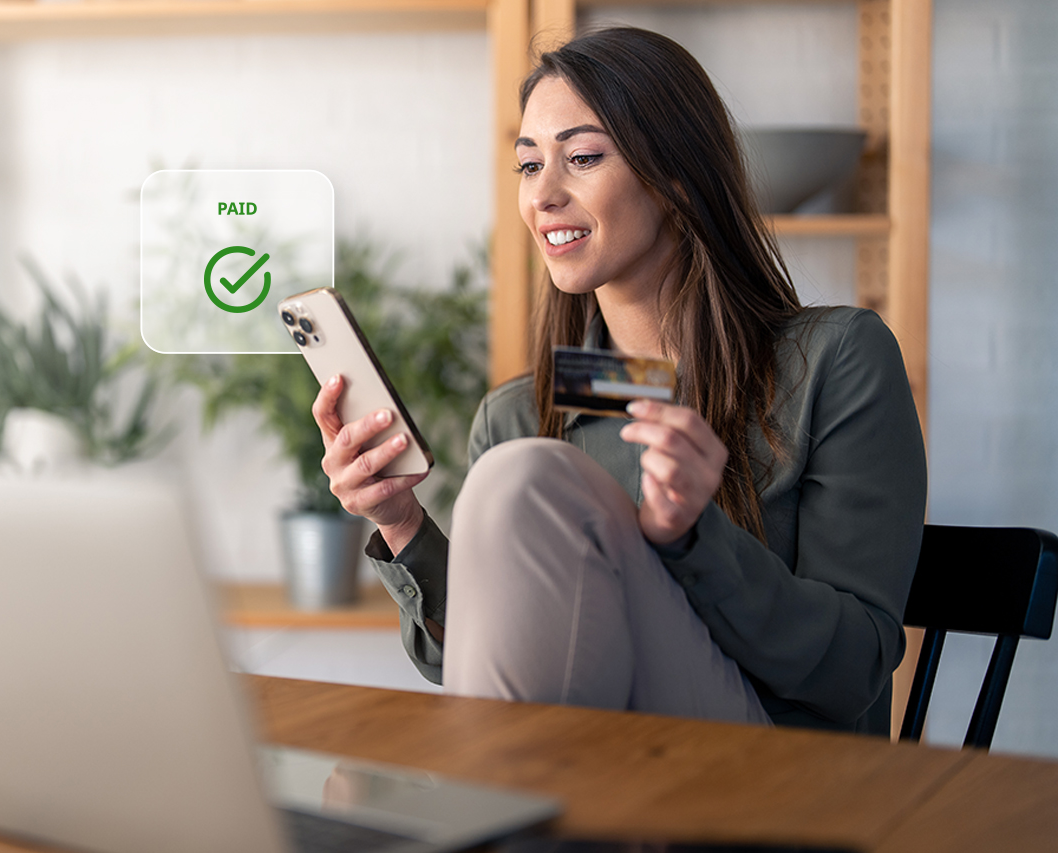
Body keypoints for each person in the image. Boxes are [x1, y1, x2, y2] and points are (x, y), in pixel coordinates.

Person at [310, 27, 926, 735]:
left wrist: (694, 537)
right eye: (527, 164)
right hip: (592, 769)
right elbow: (496, 669)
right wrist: (400, 522)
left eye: (581, 157)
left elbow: (854, 670)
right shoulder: (517, 412)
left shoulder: (835, 360)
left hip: (776, 779)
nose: (543, 194)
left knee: (525, 477)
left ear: (676, 176)